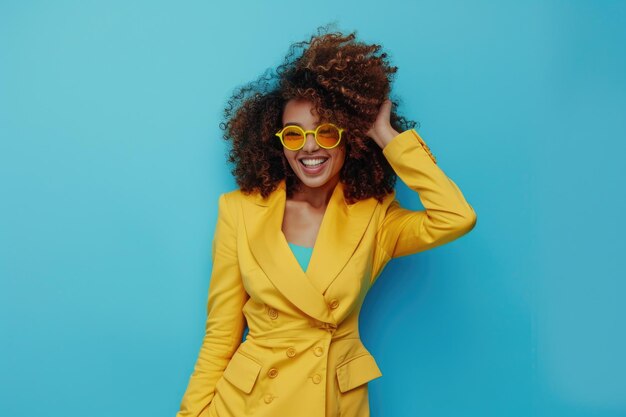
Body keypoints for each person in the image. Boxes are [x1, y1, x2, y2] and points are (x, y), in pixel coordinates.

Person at [176, 26, 477, 417]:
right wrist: (191, 413)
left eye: (327, 132)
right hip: (247, 404)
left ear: (350, 138)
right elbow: (221, 333)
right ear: (278, 142)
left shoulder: (376, 218)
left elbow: (455, 217)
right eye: (294, 135)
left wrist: (388, 137)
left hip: (332, 401)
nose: (310, 147)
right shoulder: (240, 211)